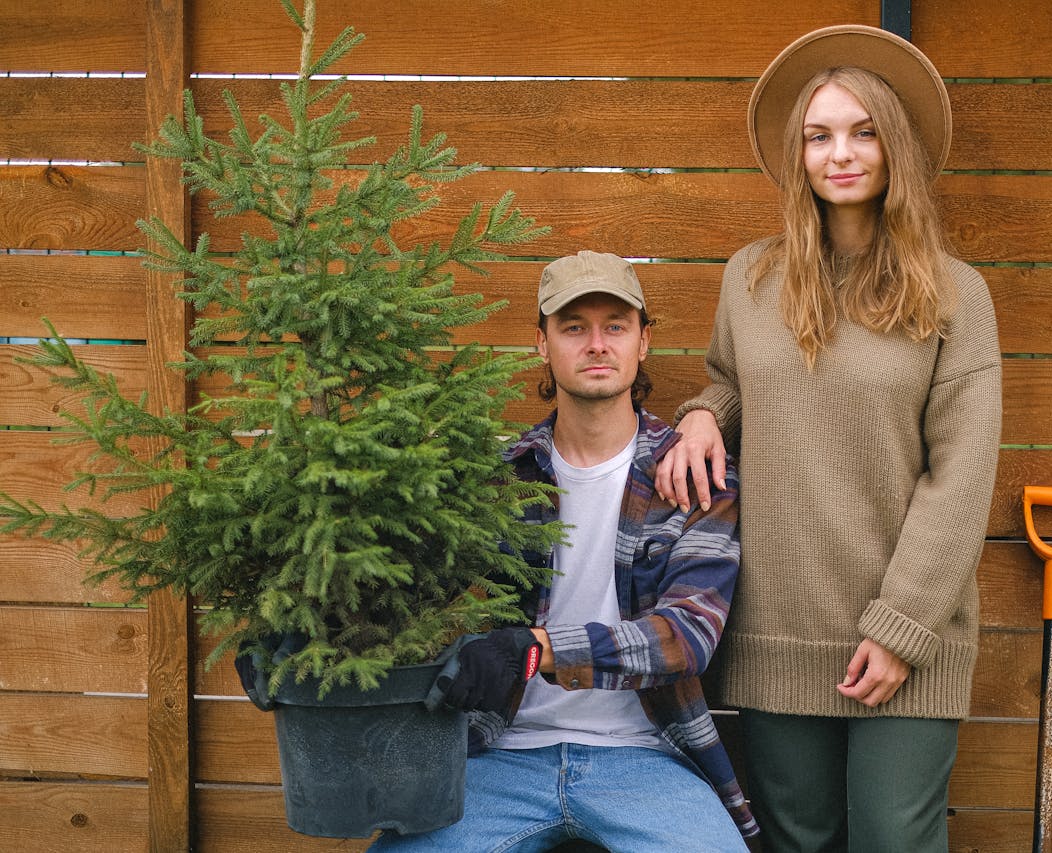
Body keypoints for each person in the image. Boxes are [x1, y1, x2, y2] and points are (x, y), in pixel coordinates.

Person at [654, 25, 1002, 853]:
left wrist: (902, 626)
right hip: (779, 625)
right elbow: (737, 381)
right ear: (797, 153)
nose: (840, 153)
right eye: (819, 135)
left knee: (893, 838)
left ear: (896, 146)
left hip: (906, 639)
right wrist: (704, 412)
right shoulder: (751, 277)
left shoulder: (956, 295)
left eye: (863, 130)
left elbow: (962, 471)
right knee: (795, 840)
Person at [369, 250, 757, 852]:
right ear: (541, 345)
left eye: (615, 326)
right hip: (500, 753)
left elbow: (687, 635)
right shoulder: (498, 479)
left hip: (645, 757)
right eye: (574, 327)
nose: (596, 344)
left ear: (644, 342)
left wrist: (539, 648)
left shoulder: (694, 477)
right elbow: (407, 596)